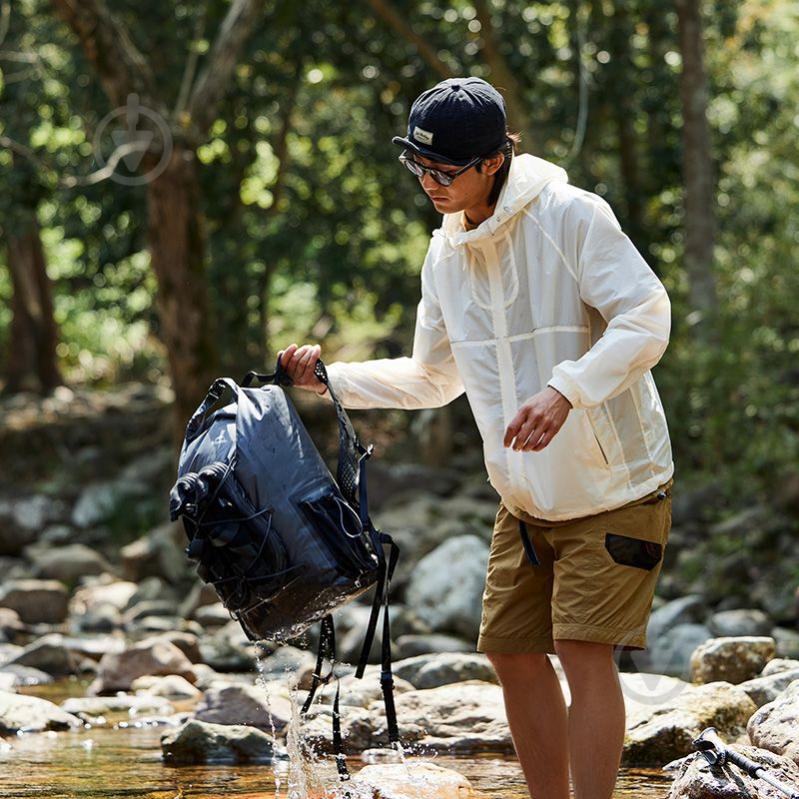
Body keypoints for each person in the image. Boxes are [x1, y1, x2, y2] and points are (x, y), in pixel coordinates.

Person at [278, 76, 674, 799]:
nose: (428, 182)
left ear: (494, 160)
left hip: (614, 483)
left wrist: (566, 388)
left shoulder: (572, 217)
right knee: (510, 653)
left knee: (581, 648)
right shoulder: (445, 253)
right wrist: (330, 379)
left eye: (444, 170)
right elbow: (432, 379)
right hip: (524, 496)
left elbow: (647, 317)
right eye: (417, 165)